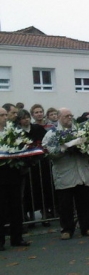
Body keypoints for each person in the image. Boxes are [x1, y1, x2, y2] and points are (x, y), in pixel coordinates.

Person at [41, 108, 89, 240]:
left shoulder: (80, 131)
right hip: (64, 173)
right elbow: (49, 151)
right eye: (66, 116)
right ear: (59, 117)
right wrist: (64, 148)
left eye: (71, 115)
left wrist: (87, 148)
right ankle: (66, 229)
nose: (69, 118)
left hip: (81, 171)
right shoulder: (52, 134)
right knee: (65, 205)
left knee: (84, 202)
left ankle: (86, 227)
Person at [0, 107, 31, 249]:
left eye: (6, 115)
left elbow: (23, 145)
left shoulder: (14, 131)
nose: (5, 118)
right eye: (2, 115)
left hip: (13, 173)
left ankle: (17, 237)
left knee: (16, 206)